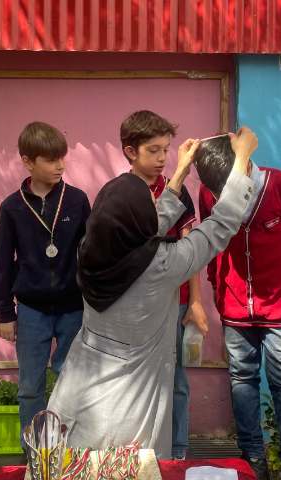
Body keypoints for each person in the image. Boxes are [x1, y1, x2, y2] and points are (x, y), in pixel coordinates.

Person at [47, 127, 259, 458]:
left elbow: (143, 226)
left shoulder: (93, 248)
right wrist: (242, 158)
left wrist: (180, 172)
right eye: (149, 203)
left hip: (77, 396)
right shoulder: (161, 264)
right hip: (123, 413)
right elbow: (220, 225)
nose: (154, 205)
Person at [195, 135, 281, 480]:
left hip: (280, 306)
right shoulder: (208, 192)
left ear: (245, 164)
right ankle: (253, 458)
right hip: (234, 306)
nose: (221, 196)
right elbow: (209, 240)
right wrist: (216, 284)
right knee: (242, 380)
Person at [0, 121, 91, 441]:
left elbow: (90, 254)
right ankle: (35, 453)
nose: (60, 165)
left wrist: (95, 302)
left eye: (62, 158)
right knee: (30, 387)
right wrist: (4, 312)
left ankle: (71, 447)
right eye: (50, 160)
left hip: (73, 308)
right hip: (31, 310)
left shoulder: (77, 200)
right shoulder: (12, 207)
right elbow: (3, 261)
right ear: (28, 161)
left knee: (70, 381)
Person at [119, 110, 207, 460]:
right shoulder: (120, 193)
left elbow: (191, 250)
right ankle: (136, 453)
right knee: (134, 380)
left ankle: (178, 452)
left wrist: (195, 301)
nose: (161, 158)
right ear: (131, 152)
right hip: (136, 306)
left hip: (177, 301)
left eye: (166, 150)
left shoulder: (178, 191)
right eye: (153, 150)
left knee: (177, 380)